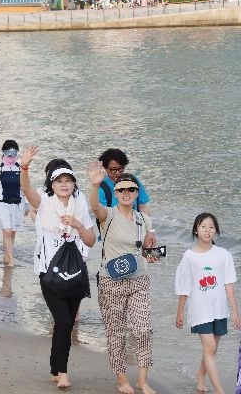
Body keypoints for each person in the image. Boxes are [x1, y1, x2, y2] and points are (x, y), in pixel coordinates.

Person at [20, 146, 95, 389]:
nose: (64, 184)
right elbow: (27, 190)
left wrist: (78, 225)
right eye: (59, 180)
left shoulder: (80, 206)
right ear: (52, 184)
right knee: (62, 321)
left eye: (68, 181)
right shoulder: (44, 204)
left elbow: (91, 240)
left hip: (75, 272)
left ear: (74, 184)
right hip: (49, 272)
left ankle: (55, 367)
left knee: (68, 322)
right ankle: (62, 372)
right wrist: (24, 167)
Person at [88, 164, 157, 394]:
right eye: (121, 190)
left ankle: (143, 380)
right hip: (111, 281)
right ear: (116, 194)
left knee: (143, 329)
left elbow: (146, 249)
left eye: (131, 190)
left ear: (137, 193)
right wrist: (95, 184)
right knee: (115, 331)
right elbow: (94, 206)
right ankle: (121, 379)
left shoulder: (144, 219)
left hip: (139, 280)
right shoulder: (108, 214)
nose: (126, 193)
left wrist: (153, 255)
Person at [175, 213, 239, 394]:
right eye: (203, 226)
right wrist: (180, 312)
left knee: (212, 348)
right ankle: (220, 391)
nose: (207, 230)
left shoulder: (223, 254)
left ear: (216, 231)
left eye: (211, 227)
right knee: (210, 347)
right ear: (196, 230)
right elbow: (184, 286)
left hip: (219, 309)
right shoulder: (189, 256)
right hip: (199, 309)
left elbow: (229, 284)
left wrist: (235, 311)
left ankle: (200, 376)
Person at [0, 140, 25, 266]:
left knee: (13, 231)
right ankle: (12, 259)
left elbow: (25, 187)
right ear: (3, 152)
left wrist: (27, 206)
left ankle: (6, 255)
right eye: (8, 151)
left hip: (17, 204)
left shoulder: (21, 168)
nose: (11, 154)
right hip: (2, 203)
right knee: (7, 231)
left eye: (14, 151)